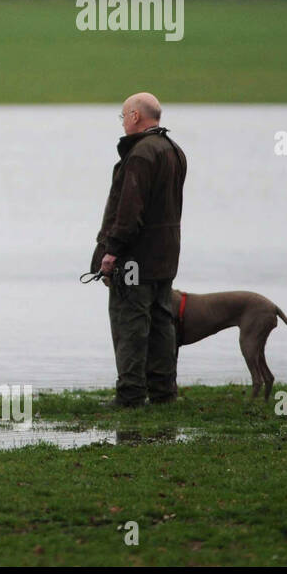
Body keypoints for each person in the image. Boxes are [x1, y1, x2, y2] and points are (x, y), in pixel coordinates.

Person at [90, 92, 187, 408]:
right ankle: (163, 392)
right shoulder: (174, 150)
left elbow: (130, 210)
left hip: (136, 258)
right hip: (165, 256)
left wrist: (111, 250)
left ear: (134, 116)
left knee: (130, 321)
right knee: (161, 321)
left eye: (123, 116)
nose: (123, 122)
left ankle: (130, 395)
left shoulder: (141, 154)